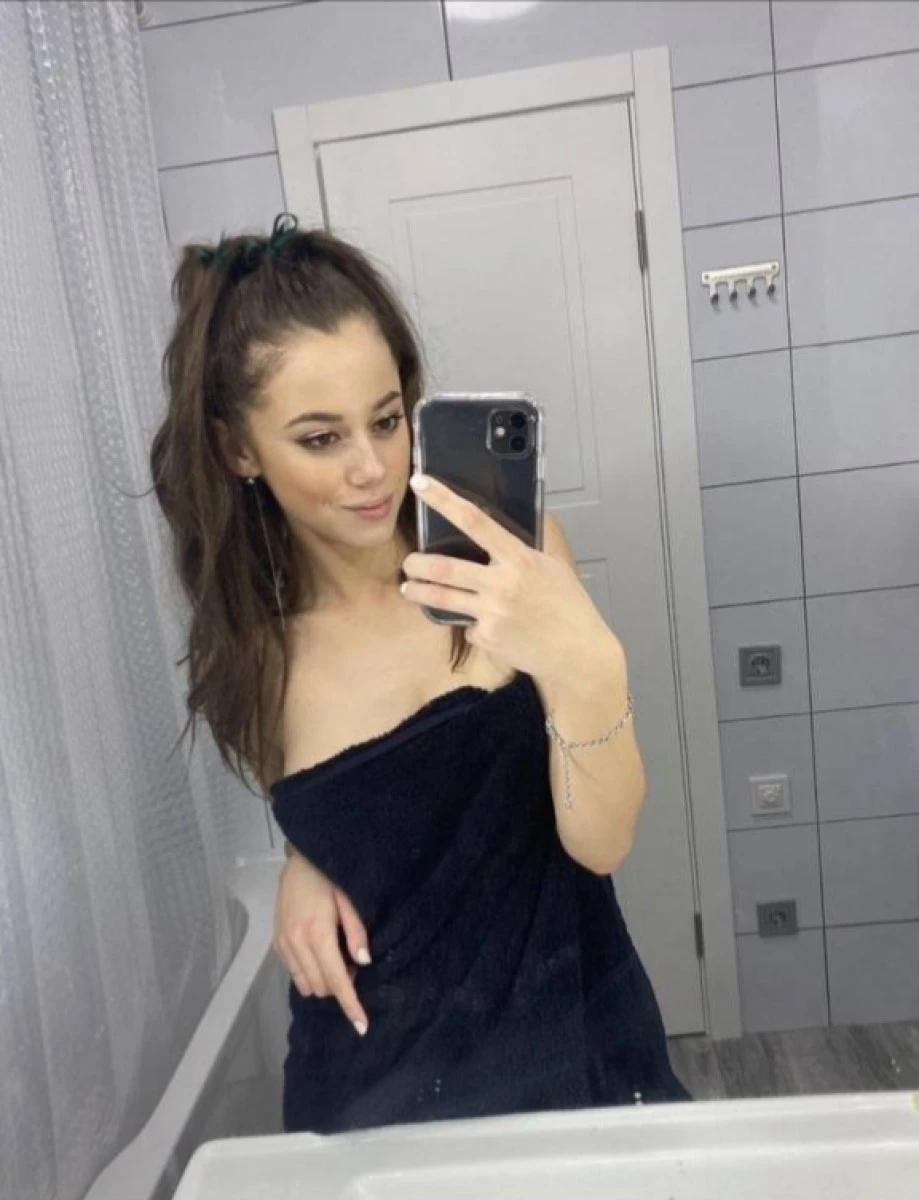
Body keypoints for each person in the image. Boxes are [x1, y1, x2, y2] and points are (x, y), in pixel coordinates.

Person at [150, 211, 690, 1134]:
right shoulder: (253, 649)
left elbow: (600, 844)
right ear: (239, 450)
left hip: (571, 1041)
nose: (371, 468)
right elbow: (375, 813)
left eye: (386, 419)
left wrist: (587, 664)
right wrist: (304, 856)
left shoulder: (511, 567)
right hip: (372, 1079)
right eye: (319, 439)